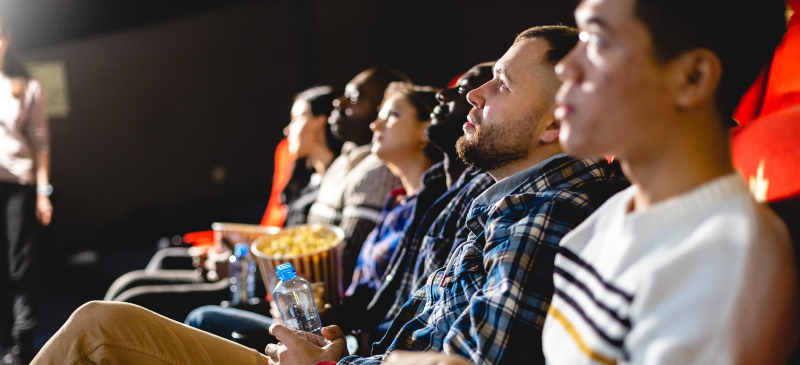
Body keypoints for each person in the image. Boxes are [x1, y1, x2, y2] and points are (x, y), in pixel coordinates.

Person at [264, 25, 627, 365]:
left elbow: (475, 361)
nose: (473, 94)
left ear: (555, 124)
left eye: (502, 84)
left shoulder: (549, 211)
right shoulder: (509, 206)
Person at [538, 0, 799, 363]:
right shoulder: (614, 214)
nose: (566, 67)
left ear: (692, 78)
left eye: (596, 41)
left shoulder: (722, 262)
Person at [305, 67, 406, 289]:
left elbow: (346, 258)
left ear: (383, 111)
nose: (338, 102)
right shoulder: (342, 160)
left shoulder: (379, 168)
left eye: (354, 98)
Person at [0, 20, 51, 365]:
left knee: (20, 263)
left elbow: (41, 143)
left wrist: (44, 192)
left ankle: (22, 340)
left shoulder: (26, 85)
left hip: (17, 183)